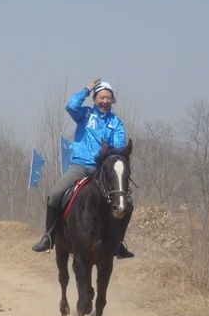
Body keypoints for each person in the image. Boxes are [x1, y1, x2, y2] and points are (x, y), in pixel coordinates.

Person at [32, 78, 134, 258]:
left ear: (112, 100)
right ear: (95, 99)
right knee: (55, 195)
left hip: (102, 170)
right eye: (101, 97)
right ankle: (48, 236)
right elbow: (70, 106)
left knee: (128, 203)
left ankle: (118, 243)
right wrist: (86, 89)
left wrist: (109, 152)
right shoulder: (84, 114)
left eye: (108, 98)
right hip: (80, 166)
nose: (105, 101)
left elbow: (119, 146)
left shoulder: (116, 122)